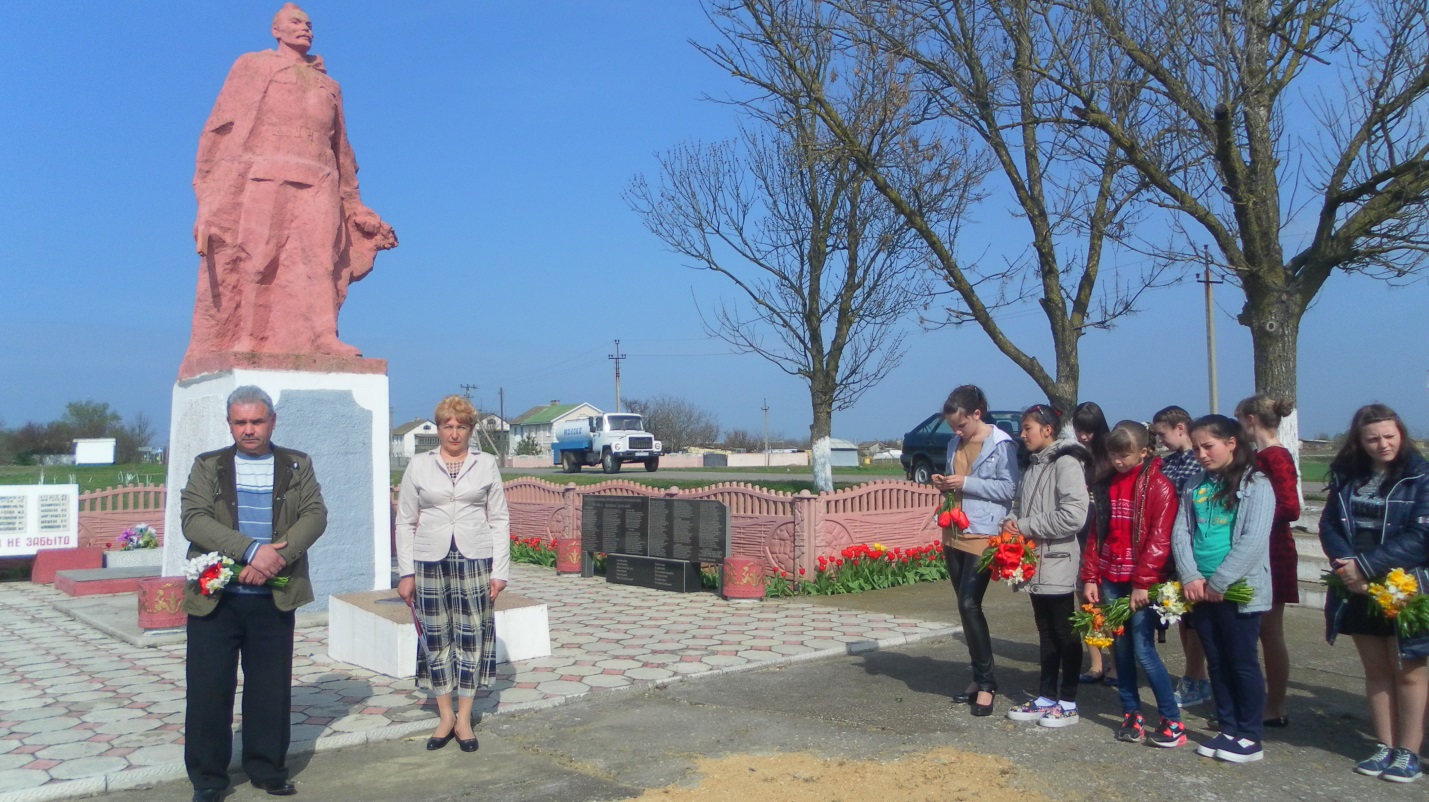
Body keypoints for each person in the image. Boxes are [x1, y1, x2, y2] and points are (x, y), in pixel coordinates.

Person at [181, 3, 397, 378]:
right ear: (276, 31)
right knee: (258, 256)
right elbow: (221, 130)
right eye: (296, 22)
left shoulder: (330, 85)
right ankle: (249, 335)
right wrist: (211, 198)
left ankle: (324, 336)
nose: (306, 29)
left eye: (310, 24)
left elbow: (343, 151)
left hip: (321, 181)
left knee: (322, 261)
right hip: (267, 175)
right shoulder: (254, 67)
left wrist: (355, 203)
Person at [181, 386, 327, 801]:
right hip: (218, 598)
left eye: (257, 421)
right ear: (229, 424)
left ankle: (267, 769)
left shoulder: (298, 464)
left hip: (274, 597)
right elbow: (194, 520)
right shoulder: (207, 466)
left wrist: (276, 560)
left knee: (269, 688)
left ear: (272, 421)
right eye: (240, 422)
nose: (249, 430)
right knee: (209, 690)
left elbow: (315, 514)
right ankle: (209, 779)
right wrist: (250, 552)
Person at [1319, 404, 1428, 783]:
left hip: (1406, 585)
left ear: (1401, 434)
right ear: (1360, 442)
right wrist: (1347, 565)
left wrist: (1366, 567)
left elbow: (1421, 536)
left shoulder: (1422, 476)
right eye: (1373, 438)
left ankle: (1409, 752)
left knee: (1410, 671)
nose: (1382, 444)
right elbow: (1330, 523)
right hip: (1356, 584)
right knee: (1376, 670)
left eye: (1389, 436)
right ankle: (1384, 745)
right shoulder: (1348, 476)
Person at [396, 396, 511, 752]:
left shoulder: (486, 463)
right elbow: (405, 521)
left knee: (470, 636)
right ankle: (444, 714)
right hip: (429, 559)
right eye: (448, 425)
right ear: (439, 428)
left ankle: (464, 717)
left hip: (474, 557)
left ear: (471, 430)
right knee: (436, 635)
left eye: (462, 426)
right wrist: (406, 572)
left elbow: (499, 519)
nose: (454, 433)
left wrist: (500, 571)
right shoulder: (419, 465)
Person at [1171, 415, 1274, 764]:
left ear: (1231, 443)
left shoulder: (1256, 484)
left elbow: (1253, 540)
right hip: (1200, 589)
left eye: (1208, 446)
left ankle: (1249, 735)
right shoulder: (1195, 484)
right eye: (1197, 447)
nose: (1201, 454)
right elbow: (1182, 531)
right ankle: (1228, 727)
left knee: (1241, 661)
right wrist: (1190, 575)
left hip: (1236, 589)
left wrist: (1220, 581)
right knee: (1216, 660)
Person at [1081, 421, 1185, 747]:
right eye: (1113, 455)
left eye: (1124, 455)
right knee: (1121, 647)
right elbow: (1097, 533)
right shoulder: (1107, 484)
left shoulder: (1160, 486)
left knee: (1143, 648)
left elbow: (1159, 539)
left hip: (1143, 582)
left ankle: (1171, 720)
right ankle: (1131, 713)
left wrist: (1143, 583)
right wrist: (1090, 576)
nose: (1118, 461)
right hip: (1111, 575)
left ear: (1144, 451)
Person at [931, 385, 1021, 717]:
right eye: (953, 427)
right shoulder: (956, 442)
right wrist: (945, 482)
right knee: (963, 606)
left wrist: (964, 483)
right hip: (954, 528)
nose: (956, 432)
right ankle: (977, 676)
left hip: (984, 531)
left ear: (977, 415)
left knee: (970, 603)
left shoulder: (1002, 444)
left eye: (961, 425)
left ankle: (987, 685)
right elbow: (958, 477)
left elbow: (1009, 489)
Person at [1003, 404, 1089, 728]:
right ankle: (1045, 696)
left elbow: (1073, 516)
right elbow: (1018, 506)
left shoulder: (1066, 463)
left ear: (1047, 430)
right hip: (1033, 561)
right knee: (1044, 629)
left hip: (1057, 559)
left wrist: (1024, 526)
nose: (1022, 435)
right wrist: (1010, 522)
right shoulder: (1033, 464)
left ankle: (1068, 701)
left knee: (1064, 631)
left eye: (1027, 428)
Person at [1235, 394, 1301, 728]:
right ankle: (1262, 701)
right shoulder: (1263, 454)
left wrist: (1251, 517)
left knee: (1269, 631)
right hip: (1260, 548)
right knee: (1260, 630)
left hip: (1273, 551)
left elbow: (1290, 506)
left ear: (1250, 419)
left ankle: (1274, 706)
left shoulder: (1275, 456)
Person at [1151, 405, 1213, 709]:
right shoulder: (1166, 463)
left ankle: (1195, 674)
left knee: (1196, 617)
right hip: (1170, 549)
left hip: (1191, 545)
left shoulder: (1197, 465)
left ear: (1180, 428)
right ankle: (1195, 675)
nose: (1160, 440)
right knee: (1184, 618)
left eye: (1163, 433)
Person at [1073, 401, 1116, 685]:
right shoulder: (1074, 456)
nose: (1084, 436)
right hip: (1079, 536)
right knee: (1086, 603)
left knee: (1109, 603)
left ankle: (1116, 662)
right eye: (1080, 430)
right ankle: (1096, 663)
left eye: (1089, 431)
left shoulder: (1110, 457)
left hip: (1104, 537)